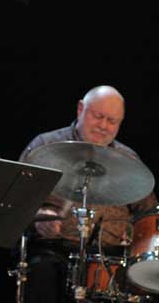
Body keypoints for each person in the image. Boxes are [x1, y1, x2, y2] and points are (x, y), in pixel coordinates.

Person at [18, 85, 158, 303]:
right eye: (98, 116)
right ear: (80, 109)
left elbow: (149, 213)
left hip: (109, 257)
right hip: (51, 249)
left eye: (112, 121)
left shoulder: (128, 159)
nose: (103, 126)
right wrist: (37, 218)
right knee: (42, 275)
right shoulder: (45, 146)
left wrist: (138, 253)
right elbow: (15, 198)